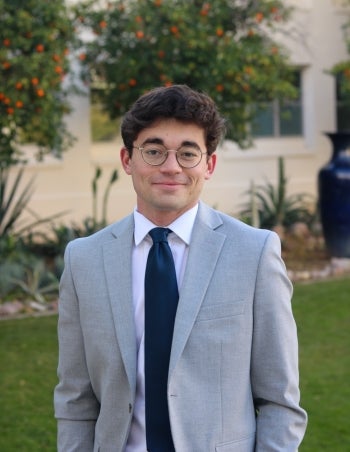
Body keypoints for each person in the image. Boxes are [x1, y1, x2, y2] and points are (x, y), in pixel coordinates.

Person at [54, 84, 307, 451]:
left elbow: (279, 402)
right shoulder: (83, 260)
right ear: (128, 160)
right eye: (153, 151)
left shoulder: (254, 253)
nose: (171, 167)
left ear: (210, 164)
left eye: (188, 153)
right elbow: (75, 402)